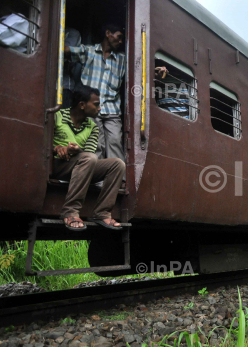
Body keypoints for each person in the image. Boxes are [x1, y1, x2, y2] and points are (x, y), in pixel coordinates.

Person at [65, 24, 168, 161]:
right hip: (91, 109)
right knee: (96, 145)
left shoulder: (122, 60)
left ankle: (118, 178)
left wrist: (157, 70)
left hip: (112, 110)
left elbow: (142, 69)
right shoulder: (88, 51)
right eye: (119, 37)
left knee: (115, 143)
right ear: (108, 33)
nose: (120, 42)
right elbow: (67, 51)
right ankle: (97, 178)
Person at [51, 85, 126, 231]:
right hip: (58, 165)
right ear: (82, 105)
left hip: (81, 167)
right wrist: (58, 148)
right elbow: (42, 143)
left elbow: (90, 155)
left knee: (117, 164)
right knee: (88, 158)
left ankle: (102, 213)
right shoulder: (58, 115)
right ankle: (70, 211)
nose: (99, 109)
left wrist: (77, 150)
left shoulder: (92, 126)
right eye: (96, 104)